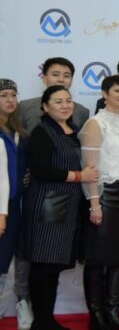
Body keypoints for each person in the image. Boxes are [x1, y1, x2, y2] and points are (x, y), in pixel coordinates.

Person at [17, 57, 89, 328]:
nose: (65, 105)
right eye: (58, 102)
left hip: (68, 206)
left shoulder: (73, 129)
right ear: (45, 107)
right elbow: (41, 169)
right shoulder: (42, 131)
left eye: (68, 100)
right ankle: (42, 321)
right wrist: (79, 176)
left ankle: (47, 319)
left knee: (54, 265)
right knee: (43, 265)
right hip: (48, 204)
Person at [79, 75, 119, 330]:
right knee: (97, 258)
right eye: (117, 90)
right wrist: (94, 203)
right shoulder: (96, 123)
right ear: (105, 94)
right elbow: (90, 168)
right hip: (105, 196)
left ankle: (113, 312)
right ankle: (96, 316)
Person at [0, 80, 27, 307]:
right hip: (1, 207)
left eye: (13, 94)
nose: (10, 100)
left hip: (14, 205)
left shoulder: (19, 131)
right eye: (4, 95)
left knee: (5, 259)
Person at [19, 57, 90, 133]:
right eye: (55, 75)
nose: (61, 79)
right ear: (44, 78)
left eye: (66, 76)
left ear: (71, 80)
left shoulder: (82, 112)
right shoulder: (24, 107)